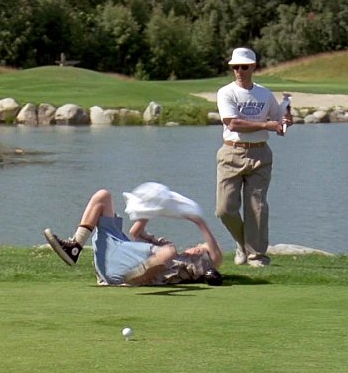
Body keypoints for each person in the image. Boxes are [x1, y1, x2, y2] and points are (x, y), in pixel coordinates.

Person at [43, 188, 223, 286]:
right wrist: (151, 209)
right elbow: (135, 233)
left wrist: (199, 222)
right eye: (198, 247)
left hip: (123, 270)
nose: (197, 250)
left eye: (202, 252)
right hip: (118, 254)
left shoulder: (194, 267)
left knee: (169, 251)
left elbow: (216, 256)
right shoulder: (166, 246)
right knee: (103, 196)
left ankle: (140, 276)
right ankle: (75, 247)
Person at [216, 47, 293, 267]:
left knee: (257, 207)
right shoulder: (226, 92)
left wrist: (285, 120)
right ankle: (242, 244)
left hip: (260, 153)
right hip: (231, 152)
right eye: (235, 67)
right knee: (224, 209)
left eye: (244, 67)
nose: (239, 71)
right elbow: (232, 123)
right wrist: (267, 125)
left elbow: (278, 119)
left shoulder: (264, 94)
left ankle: (257, 255)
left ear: (253, 67)